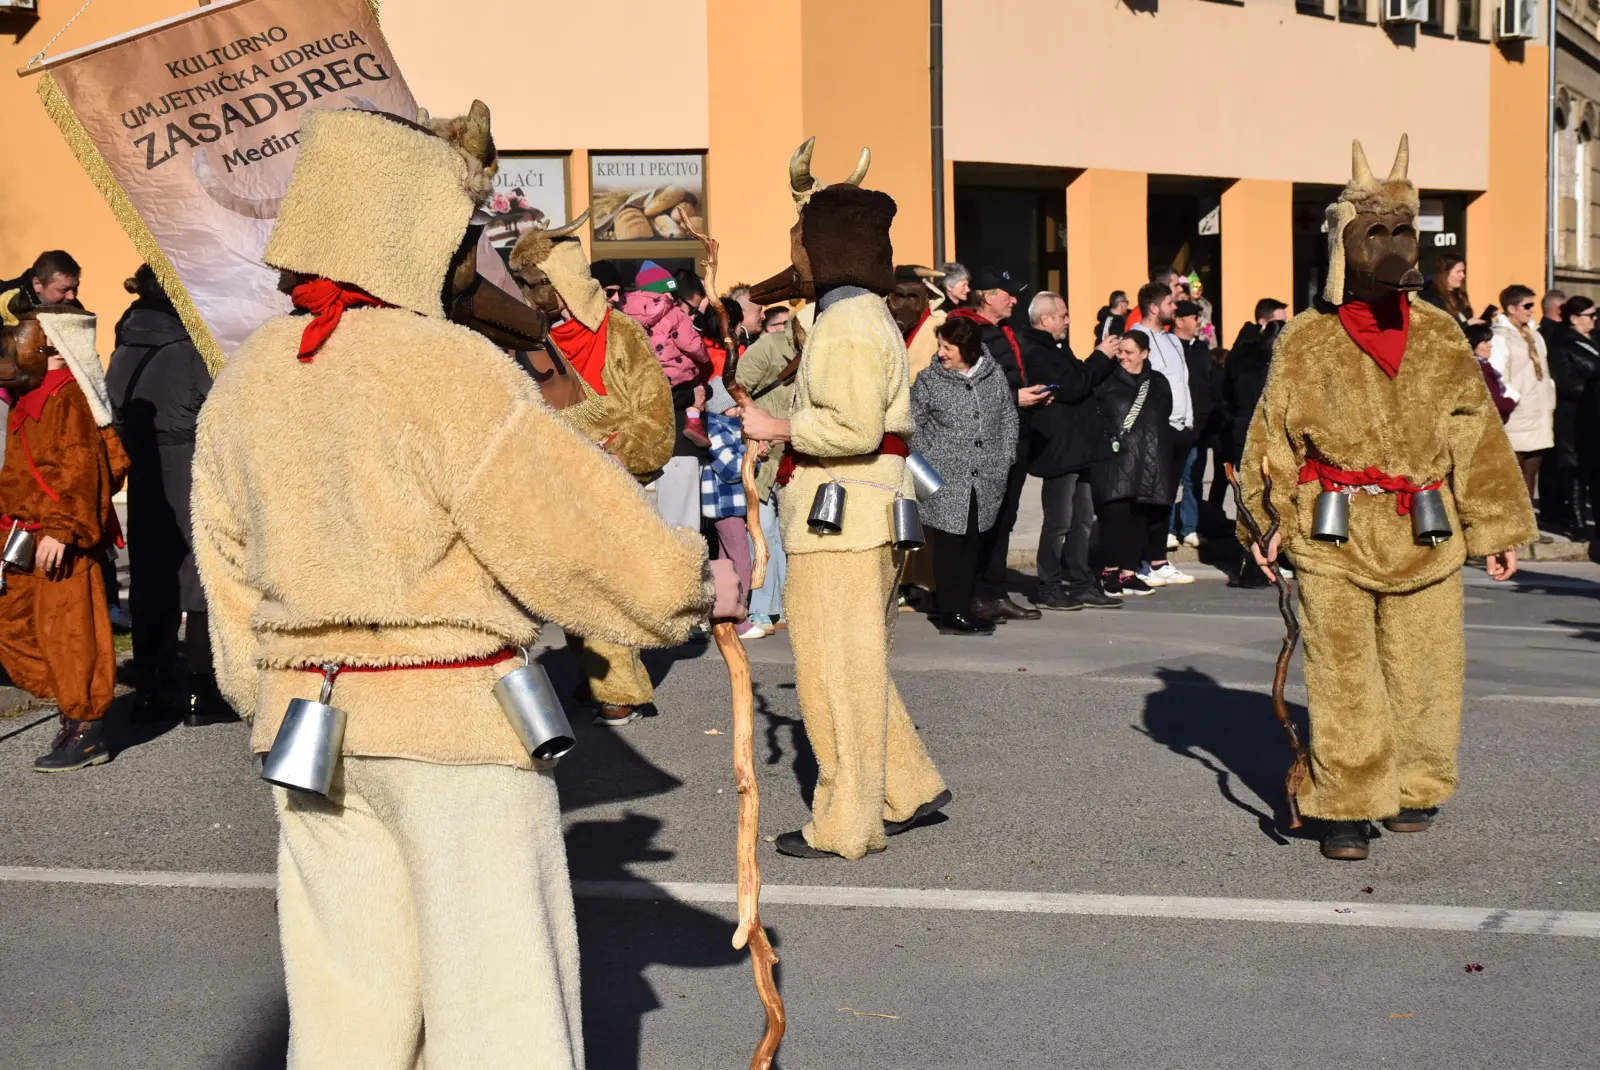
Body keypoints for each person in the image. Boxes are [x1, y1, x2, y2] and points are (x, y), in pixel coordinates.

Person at [191, 104, 733, 1067]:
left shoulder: (248, 379)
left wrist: (261, 694)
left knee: (345, 1008)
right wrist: (688, 586)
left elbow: (226, 575)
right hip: (454, 725)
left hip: (306, 724)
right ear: (411, 230)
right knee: (497, 998)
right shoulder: (447, 368)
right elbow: (562, 527)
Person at [1239, 136, 1534, 862]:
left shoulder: (1440, 335)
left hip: (1426, 528)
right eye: (1377, 232)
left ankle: (1414, 783)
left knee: (1428, 669)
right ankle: (1345, 801)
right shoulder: (1307, 338)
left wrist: (1496, 527)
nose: (1395, 245)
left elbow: (1476, 433)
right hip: (1331, 528)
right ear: (1345, 242)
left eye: (1405, 231)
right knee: (1343, 676)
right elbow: (1271, 434)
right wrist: (1266, 516)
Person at [738, 141, 949, 861]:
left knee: (834, 676)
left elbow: (853, 426)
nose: (793, 256)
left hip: (843, 522)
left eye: (800, 243)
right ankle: (908, 786)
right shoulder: (855, 313)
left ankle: (847, 824)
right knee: (857, 667)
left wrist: (774, 425)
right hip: (857, 512)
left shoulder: (850, 320)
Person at [508, 220, 678, 727]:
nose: (534, 296)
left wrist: (623, 451)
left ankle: (619, 690)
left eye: (540, 284)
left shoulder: (620, 334)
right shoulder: (532, 339)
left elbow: (654, 408)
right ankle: (595, 672)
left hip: (618, 474)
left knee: (609, 587)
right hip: (564, 476)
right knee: (578, 585)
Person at [0, 295, 130, 771]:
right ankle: (72, 708)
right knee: (18, 629)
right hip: (22, 536)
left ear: (49, 339)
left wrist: (61, 529)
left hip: (60, 539)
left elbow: (82, 470)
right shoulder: (30, 395)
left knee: (71, 635)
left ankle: (88, 728)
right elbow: (16, 474)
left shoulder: (69, 396)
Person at [104, 265, 227, 726]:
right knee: (197, 580)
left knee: (151, 581)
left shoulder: (122, 349)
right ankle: (200, 692)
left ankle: (152, 692)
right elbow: (219, 411)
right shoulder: (189, 348)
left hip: (144, 473)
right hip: (189, 468)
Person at [946, 268, 1052, 621]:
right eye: (1009, 292)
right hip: (983, 439)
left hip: (1012, 434)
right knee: (981, 519)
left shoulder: (1002, 331)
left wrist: (1031, 396)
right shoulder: (961, 326)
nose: (1015, 299)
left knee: (1004, 517)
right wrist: (1013, 397)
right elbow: (958, 385)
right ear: (989, 295)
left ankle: (994, 591)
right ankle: (974, 595)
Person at [910, 317, 1018, 634]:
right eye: (940, 345)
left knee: (974, 543)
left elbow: (1009, 417)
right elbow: (911, 425)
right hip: (946, 477)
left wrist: (1006, 455)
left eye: (948, 347)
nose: (941, 353)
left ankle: (966, 605)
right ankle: (951, 613)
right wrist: (929, 460)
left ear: (967, 348)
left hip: (986, 476)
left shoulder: (992, 374)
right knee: (950, 546)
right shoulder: (930, 380)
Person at [1018, 291, 1120, 610]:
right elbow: (1073, 386)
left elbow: (1083, 381)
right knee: (1058, 522)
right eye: (1063, 315)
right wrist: (1100, 356)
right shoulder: (1035, 348)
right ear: (1046, 319)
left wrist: (1102, 361)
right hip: (1059, 450)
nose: (1068, 320)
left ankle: (1081, 582)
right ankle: (1048, 586)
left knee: (1083, 520)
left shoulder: (1056, 346)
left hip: (1081, 446)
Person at [735, 305, 813, 635]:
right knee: (763, 533)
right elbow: (736, 389)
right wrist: (755, 428)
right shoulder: (768, 348)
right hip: (765, 456)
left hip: (801, 455)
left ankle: (788, 606)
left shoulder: (822, 353)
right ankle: (761, 610)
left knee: (793, 536)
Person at [622, 261, 713, 524]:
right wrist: (694, 395)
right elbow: (698, 353)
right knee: (682, 530)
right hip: (676, 445)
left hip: (640, 444)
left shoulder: (624, 322)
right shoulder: (675, 317)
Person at [1091, 331, 1173, 597]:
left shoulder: (1158, 382)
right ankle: (1109, 572)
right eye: (1121, 352)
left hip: (1149, 459)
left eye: (1129, 352)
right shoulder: (1106, 380)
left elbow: (1165, 413)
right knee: (1115, 516)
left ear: (1145, 353)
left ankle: (1129, 572)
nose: (1123, 357)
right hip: (1116, 458)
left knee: (1140, 516)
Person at [1128, 281, 1196, 584]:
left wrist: (1190, 420)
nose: (1175, 307)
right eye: (1170, 303)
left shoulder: (1172, 341)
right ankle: (1142, 560)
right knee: (1149, 498)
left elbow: (1183, 381)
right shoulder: (1137, 341)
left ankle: (1159, 560)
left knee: (1167, 497)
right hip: (1157, 431)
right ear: (1154, 307)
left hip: (1182, 429)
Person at [1490, 284, 1556, 518]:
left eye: (1533, 305)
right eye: (1526, 306)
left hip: (1538, 414)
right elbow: (1497, 377)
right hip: (1516, 416)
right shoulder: (1501, 337)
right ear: (1510, 308)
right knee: (1512, 475)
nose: (1531, 311)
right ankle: (1511, 525)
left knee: (1532, 471)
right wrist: (1515, 400)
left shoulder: (1534, 333)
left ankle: (1527, 523)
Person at [1546, 295, 1600, 538]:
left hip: (1595, 415)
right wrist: (1594, 392)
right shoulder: (1562, 344)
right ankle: (1578, 524)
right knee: (1576, 469)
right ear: (1574, 318)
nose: (1594, 319)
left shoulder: (1596, 339)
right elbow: (1566, 383)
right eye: (1589, 315)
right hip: (1575, 416)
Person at [1170, 299, 1215, 549]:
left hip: (1198, 427)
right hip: (1173, 425)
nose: (1199, 322)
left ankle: (1190, 528)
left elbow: (1205, 386)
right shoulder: (1167, 346)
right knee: (1168, 481)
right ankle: (1167, 529)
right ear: (1179, 320)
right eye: (1194, 317)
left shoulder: (1201, 349)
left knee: (1193, 480)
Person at [1464, 321, 1516, 423]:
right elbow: (1496, 404)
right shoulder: (1478, 369)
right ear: (1473, 344)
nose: (1490, 345)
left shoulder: (1482, 366)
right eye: (1485, 342)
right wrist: (1511, 401)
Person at [2, 250, 82, 309]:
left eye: (75, 288)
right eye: (63, 290)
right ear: (37, 284)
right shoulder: (3, 298)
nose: (71, 297)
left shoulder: (75, 307)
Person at [1418, 254, 1476, 327]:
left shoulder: (1460, 295)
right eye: (1458, 272)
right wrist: (1466, 325)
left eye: (1463, 271)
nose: (1463, 275)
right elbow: (1437, 329)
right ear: (1445, 274)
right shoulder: (1431, 298)